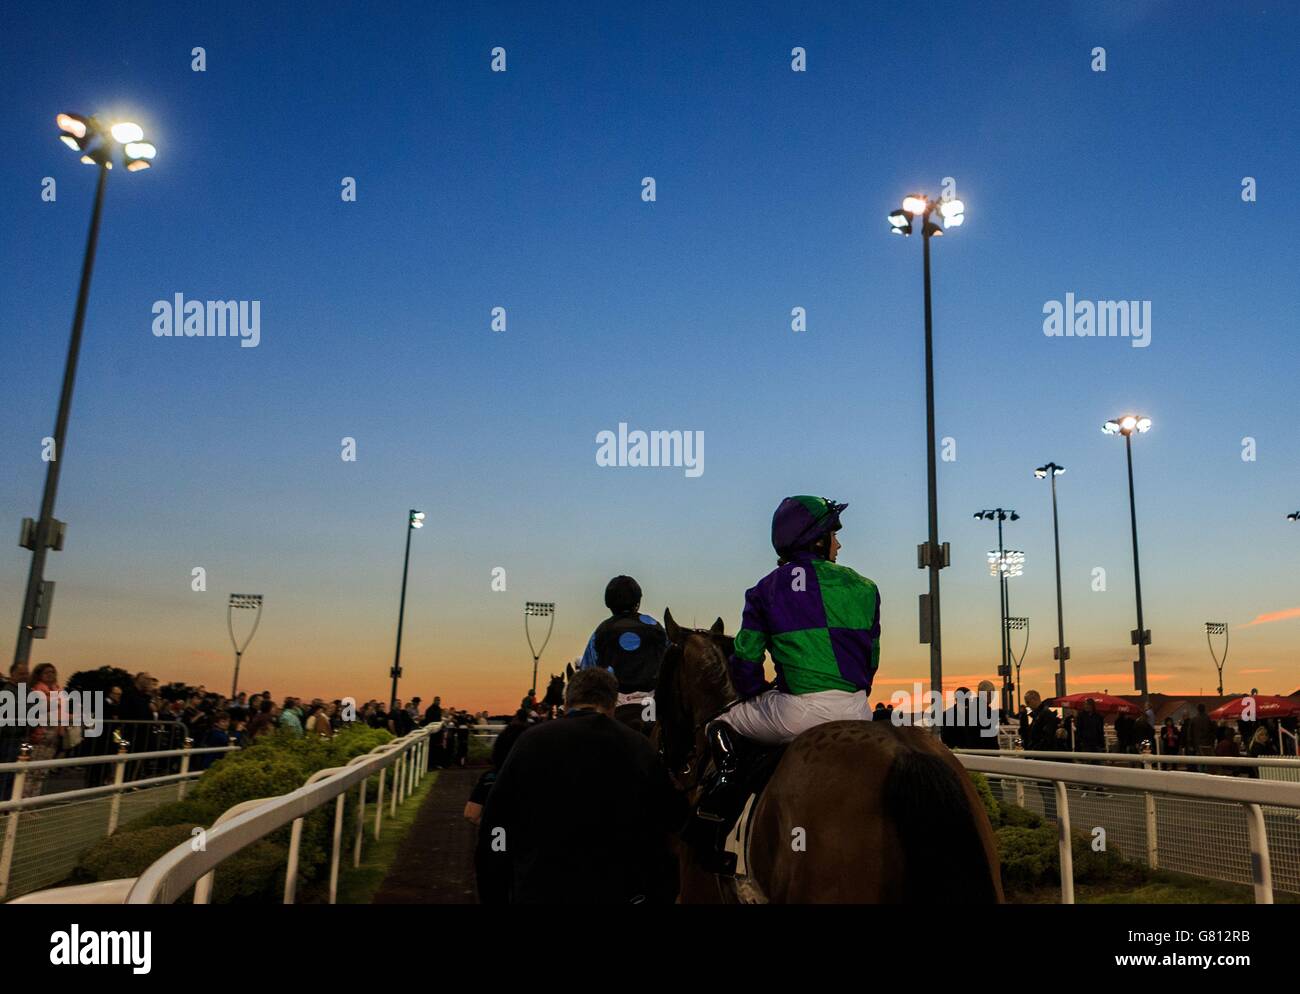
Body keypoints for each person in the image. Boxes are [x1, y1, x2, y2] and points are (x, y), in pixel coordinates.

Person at [689, 496, 879, 865]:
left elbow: (746, 660)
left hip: (798, 713)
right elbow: (871, 659)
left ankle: (725, 791)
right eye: (833, 535)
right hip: (859, 711)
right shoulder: (866, 587)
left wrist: (754, 692)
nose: (838, 544)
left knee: (718, 722)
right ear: (817, 539)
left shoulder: (764, 589)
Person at [475, 668, 686, 903]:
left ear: (567, 701)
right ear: (612, 704)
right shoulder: (639, 747)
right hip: (619, 891)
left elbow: (497, 822)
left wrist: (496, 888)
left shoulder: (531, 741)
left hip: (540, 889)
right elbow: (673, 823)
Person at [578, 575, 668, 719]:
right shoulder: (655, 626)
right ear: (637, 601)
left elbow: (587, 674)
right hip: (650, 705)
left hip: (613, 706)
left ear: (609, 602)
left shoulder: (602, 630)